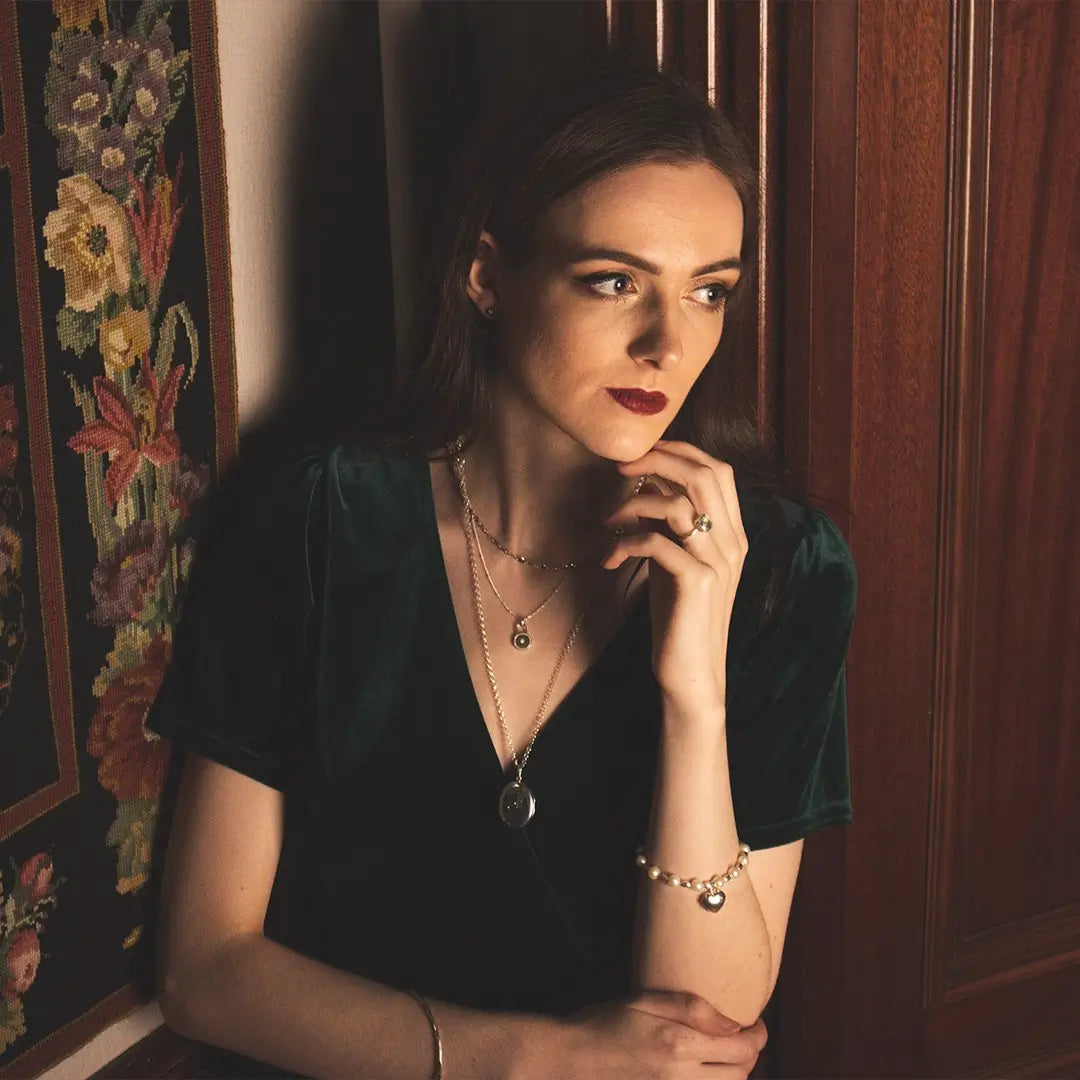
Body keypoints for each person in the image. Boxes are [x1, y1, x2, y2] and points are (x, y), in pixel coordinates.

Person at [146, 53, 857, 1080]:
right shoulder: (319, 520)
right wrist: (531, 1059)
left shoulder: (787, 570)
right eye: (615, 282)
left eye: (710, 293)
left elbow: (703, 1026)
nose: (670, 342)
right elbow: (204, 973)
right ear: (487, 276)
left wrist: (694, 698)